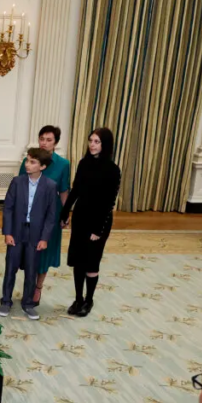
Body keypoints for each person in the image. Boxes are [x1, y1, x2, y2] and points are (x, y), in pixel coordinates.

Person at [59, 127, 120, 318]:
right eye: (91, 141)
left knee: (91, 262)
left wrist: (97, 229)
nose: (92, 145)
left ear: (105, 145)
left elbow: (109, 202)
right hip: (81, 218)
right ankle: (78, 299)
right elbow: (75, 190)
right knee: (78, 260)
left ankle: (89, 300)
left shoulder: (112, 170)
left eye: (97, 142)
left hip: (98, 221)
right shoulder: (83, 163)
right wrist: (65, 212)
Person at [0, 148, 57, 321]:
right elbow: (8, 209)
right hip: (16, 232)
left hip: (36, 234)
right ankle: (6, 301)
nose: (27, 164)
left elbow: (51, 216)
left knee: (31, 271)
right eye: (27, 160)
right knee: (11, 268)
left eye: (33, 162)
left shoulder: (50, 186)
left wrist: (44, 238)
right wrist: (7, 232)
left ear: (42, 166)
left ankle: (28, 303)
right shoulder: (17, 182)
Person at [17, 125, 70, 305]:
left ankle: (38, 287)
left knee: (44, 252)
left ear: (55, 143)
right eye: (42, 139)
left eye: (49, 140)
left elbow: (64, 191)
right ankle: (29, 285)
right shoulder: (29, 161)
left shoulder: (63, 164)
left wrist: (65, 214)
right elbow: (20, 187)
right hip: (29, 213)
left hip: (50, 214)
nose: (44, 143)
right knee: (27, 251)